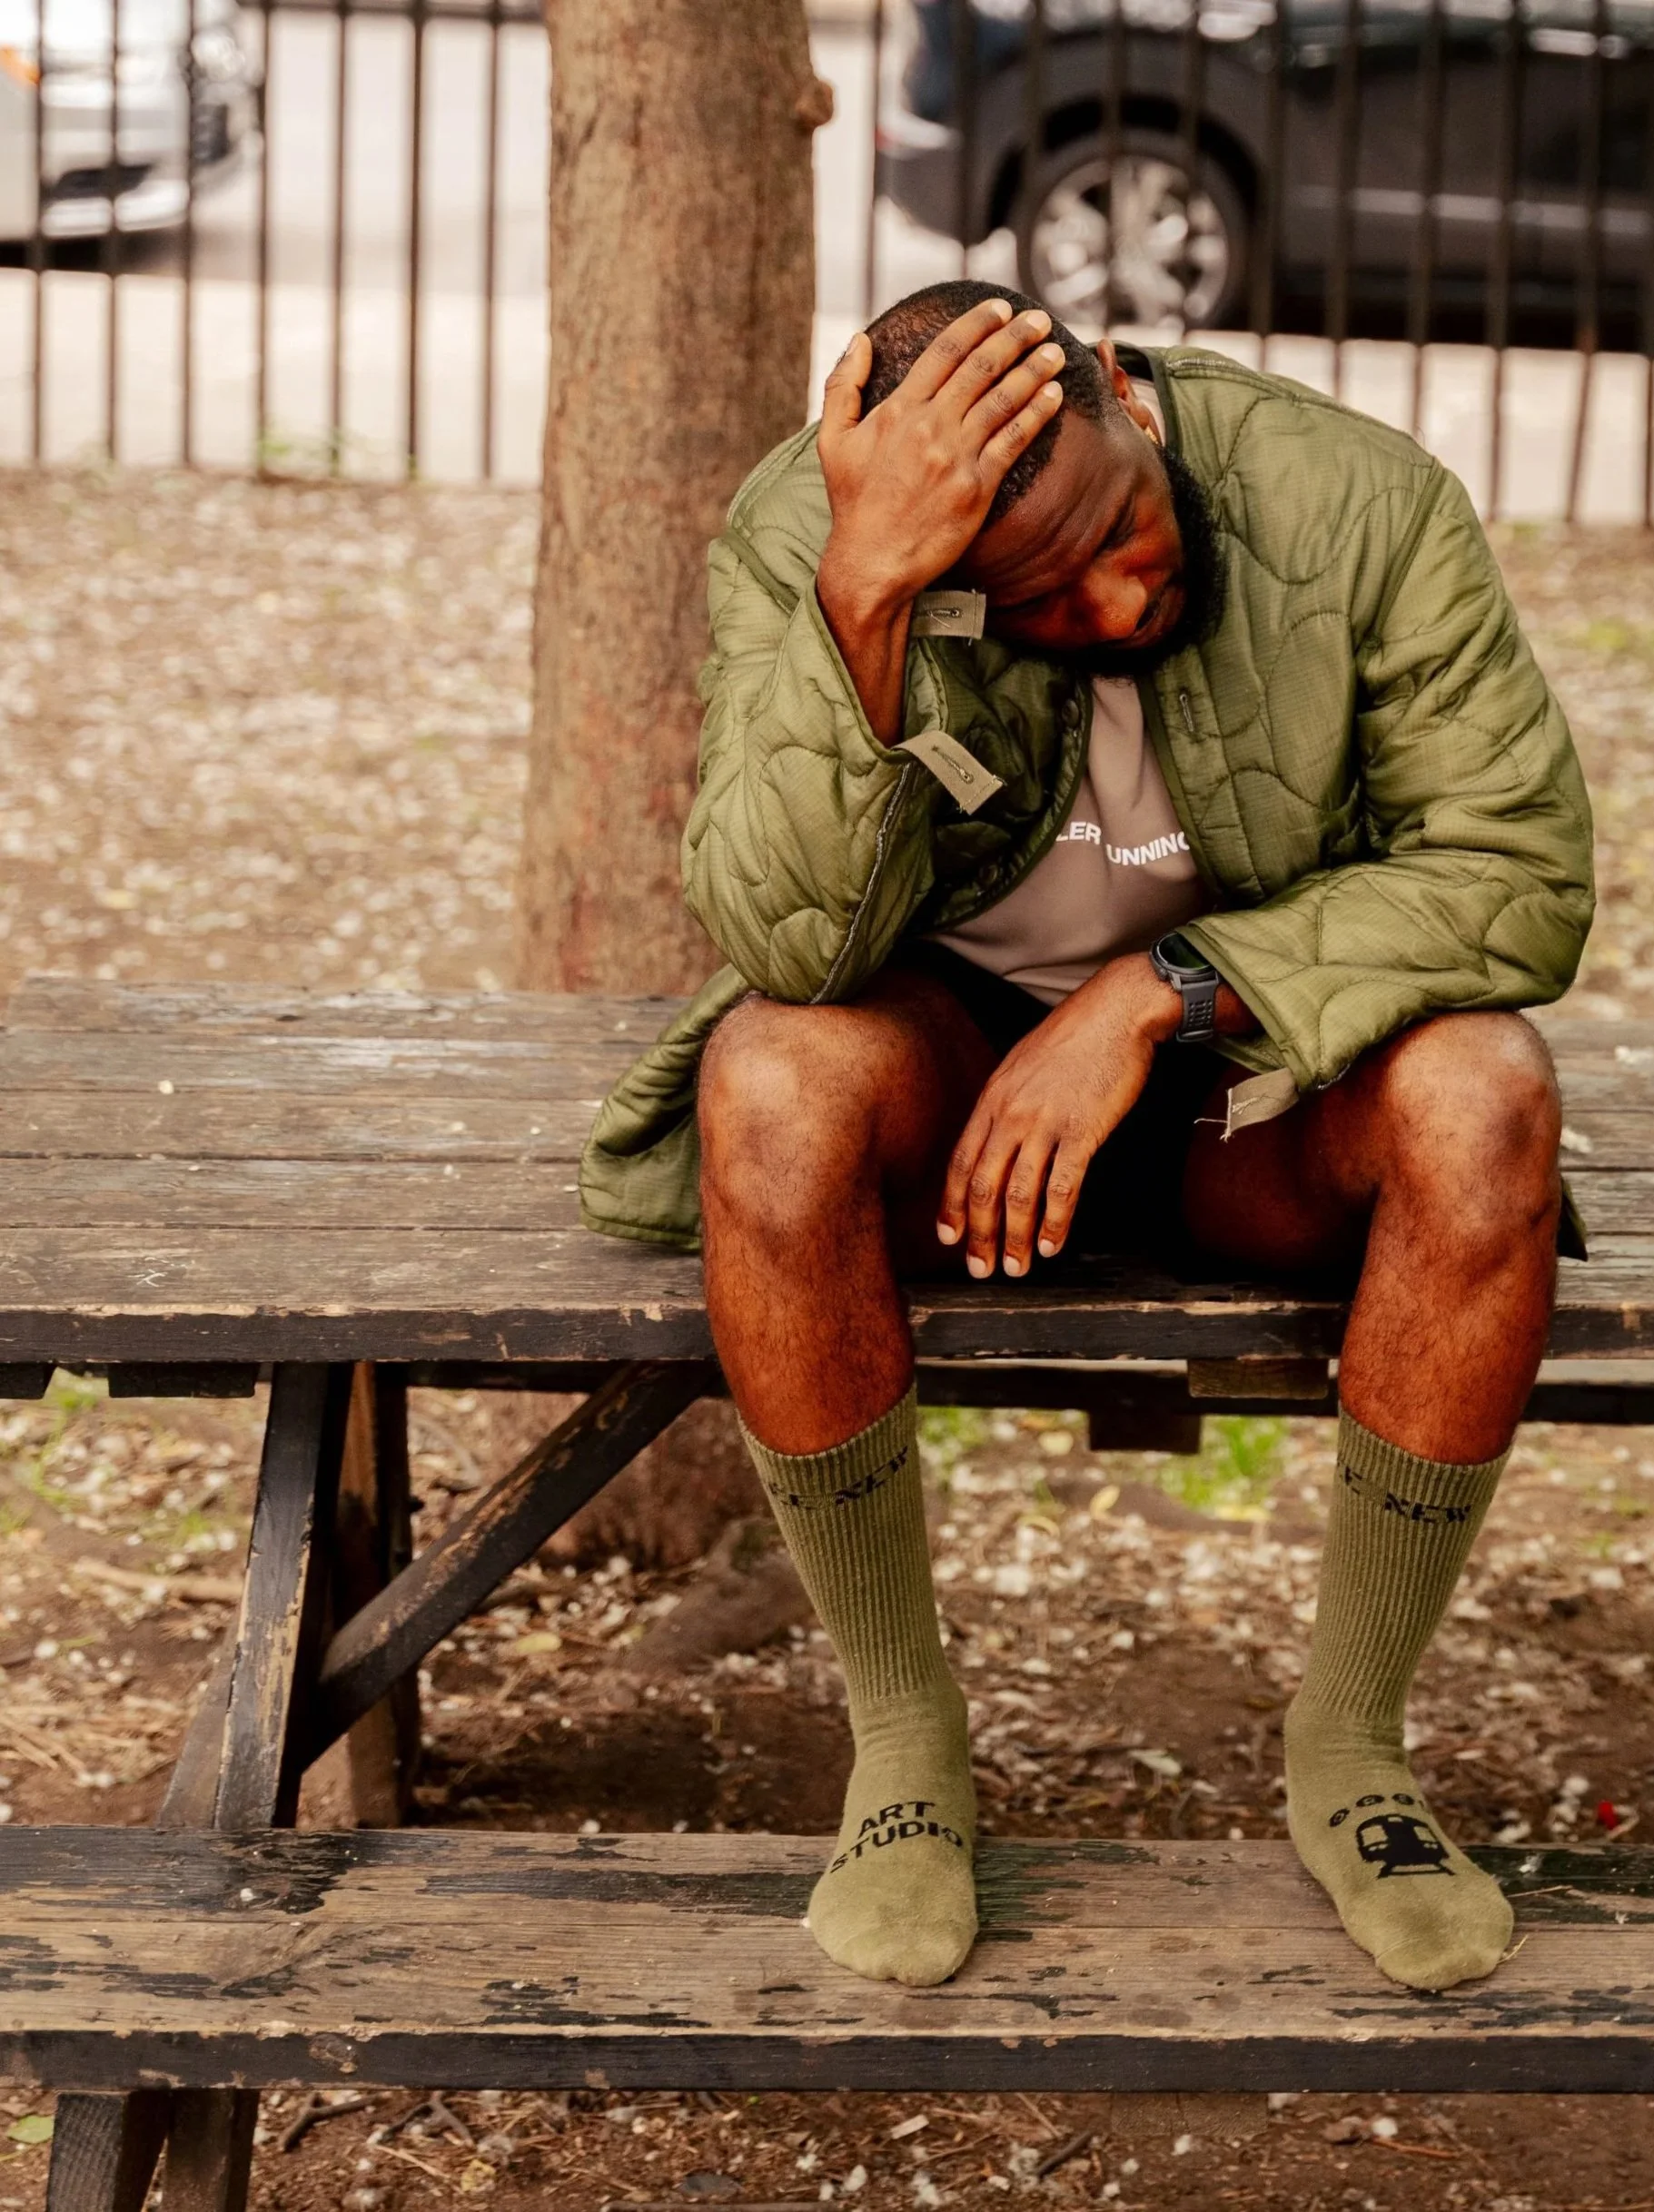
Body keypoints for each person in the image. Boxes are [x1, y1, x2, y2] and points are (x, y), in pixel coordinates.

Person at [579, 280, 1596, 1995]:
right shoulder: (807, 539)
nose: (1120, 596)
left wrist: (1155, 992)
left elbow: (1519, 872)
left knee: (1487, 1091)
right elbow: (791, 948)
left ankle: (1352, 1747)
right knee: (767, 1082)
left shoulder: (1360, 501)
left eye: (1120, 527)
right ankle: (904, 1747)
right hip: (951, 1088)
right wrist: (866, 603)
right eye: (1039, 600)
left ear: (1124, 388)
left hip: (1254, 1081)